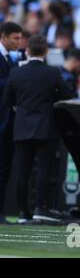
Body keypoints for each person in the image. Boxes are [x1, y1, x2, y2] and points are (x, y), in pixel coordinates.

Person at [3, 35, 75, 223]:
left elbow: (7, 101)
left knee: (22, 171)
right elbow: (69, 94)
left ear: (27, 51)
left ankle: (22, 213)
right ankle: (40, 208)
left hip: (21, 128)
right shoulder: (53, 72)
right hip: (45, 127)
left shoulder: (16, 73)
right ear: (45, 52)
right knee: (43, 169)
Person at [0, 22, 22, 224]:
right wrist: (17, 77)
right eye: (15, 38)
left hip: (9, 123)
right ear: (3, 37)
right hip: (2, 120)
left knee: (4, 167)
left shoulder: (12, 59)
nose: (18, 42)